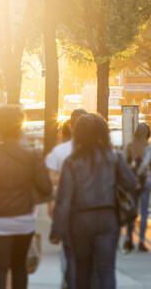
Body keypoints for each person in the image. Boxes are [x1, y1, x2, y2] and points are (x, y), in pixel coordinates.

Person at [50, 114, 137, 289]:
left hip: (80, 221)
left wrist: (57, 231)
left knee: (83, 269)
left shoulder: (71, 162)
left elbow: (64, 199)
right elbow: (131, 183)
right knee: (106, 269)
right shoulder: (114, 157)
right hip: (108, 219)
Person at [0, 105, 53, 289]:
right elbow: (45, 186)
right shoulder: (32, 154)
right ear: (19, 127)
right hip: (23, 218)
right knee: (18, 266)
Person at [45, 109, 88, 289]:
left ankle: (68, 280)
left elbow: (52, 182)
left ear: (70, 126)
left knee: (67, 248)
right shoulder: (100, 151)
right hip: (90, 208)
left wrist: (51, 203)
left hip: (66, 206)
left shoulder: (59, 151)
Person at [123, 123, 151, 252]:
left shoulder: (129, 147)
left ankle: (128, 240)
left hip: (132, 183)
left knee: (131, 211)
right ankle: (141, 242)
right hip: (145, 182)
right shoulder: (149, 149)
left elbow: (125, 165)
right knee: (144, 212)